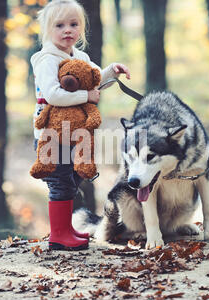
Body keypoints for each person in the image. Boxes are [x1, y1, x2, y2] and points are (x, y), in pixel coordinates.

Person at [30, 0, 130, 250]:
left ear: (81, 29)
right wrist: (86, 97)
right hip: (50, 135)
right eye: (60, 25)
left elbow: (94, 80)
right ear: (47, 30)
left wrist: (111, 71)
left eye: (74, 24)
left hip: (73, 136)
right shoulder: (47, 60)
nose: (67, 30)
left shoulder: (80, 56)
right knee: (60, 181)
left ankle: (67, 228)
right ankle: (58, 234)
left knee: (73, 179)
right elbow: (53, 95)